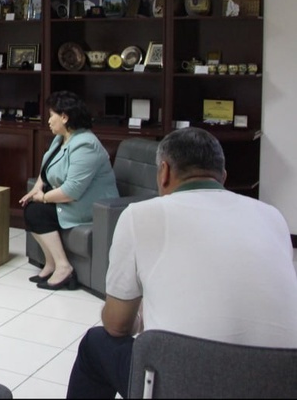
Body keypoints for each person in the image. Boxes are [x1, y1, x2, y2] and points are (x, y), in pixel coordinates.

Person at [66, 128, 297, 398]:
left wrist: (140, 318)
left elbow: (117, 325)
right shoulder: (272, 217)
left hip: (179, 383)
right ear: (223, 177)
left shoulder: (139, 215)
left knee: (96, 343)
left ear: (164, 172)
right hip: (280, 383)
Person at [19, 90, 118, 290]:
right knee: (31, 208)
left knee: (37, 212)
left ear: (64, 117)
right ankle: (51, 264)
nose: (48, 121)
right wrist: (36, 189)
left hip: (90, 205)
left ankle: (64, 267)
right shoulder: (61, 138)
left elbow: (72, 190)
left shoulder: (85, 144)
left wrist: (43, 197)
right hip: (71, 199)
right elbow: (46, 169)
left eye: (51, 116)